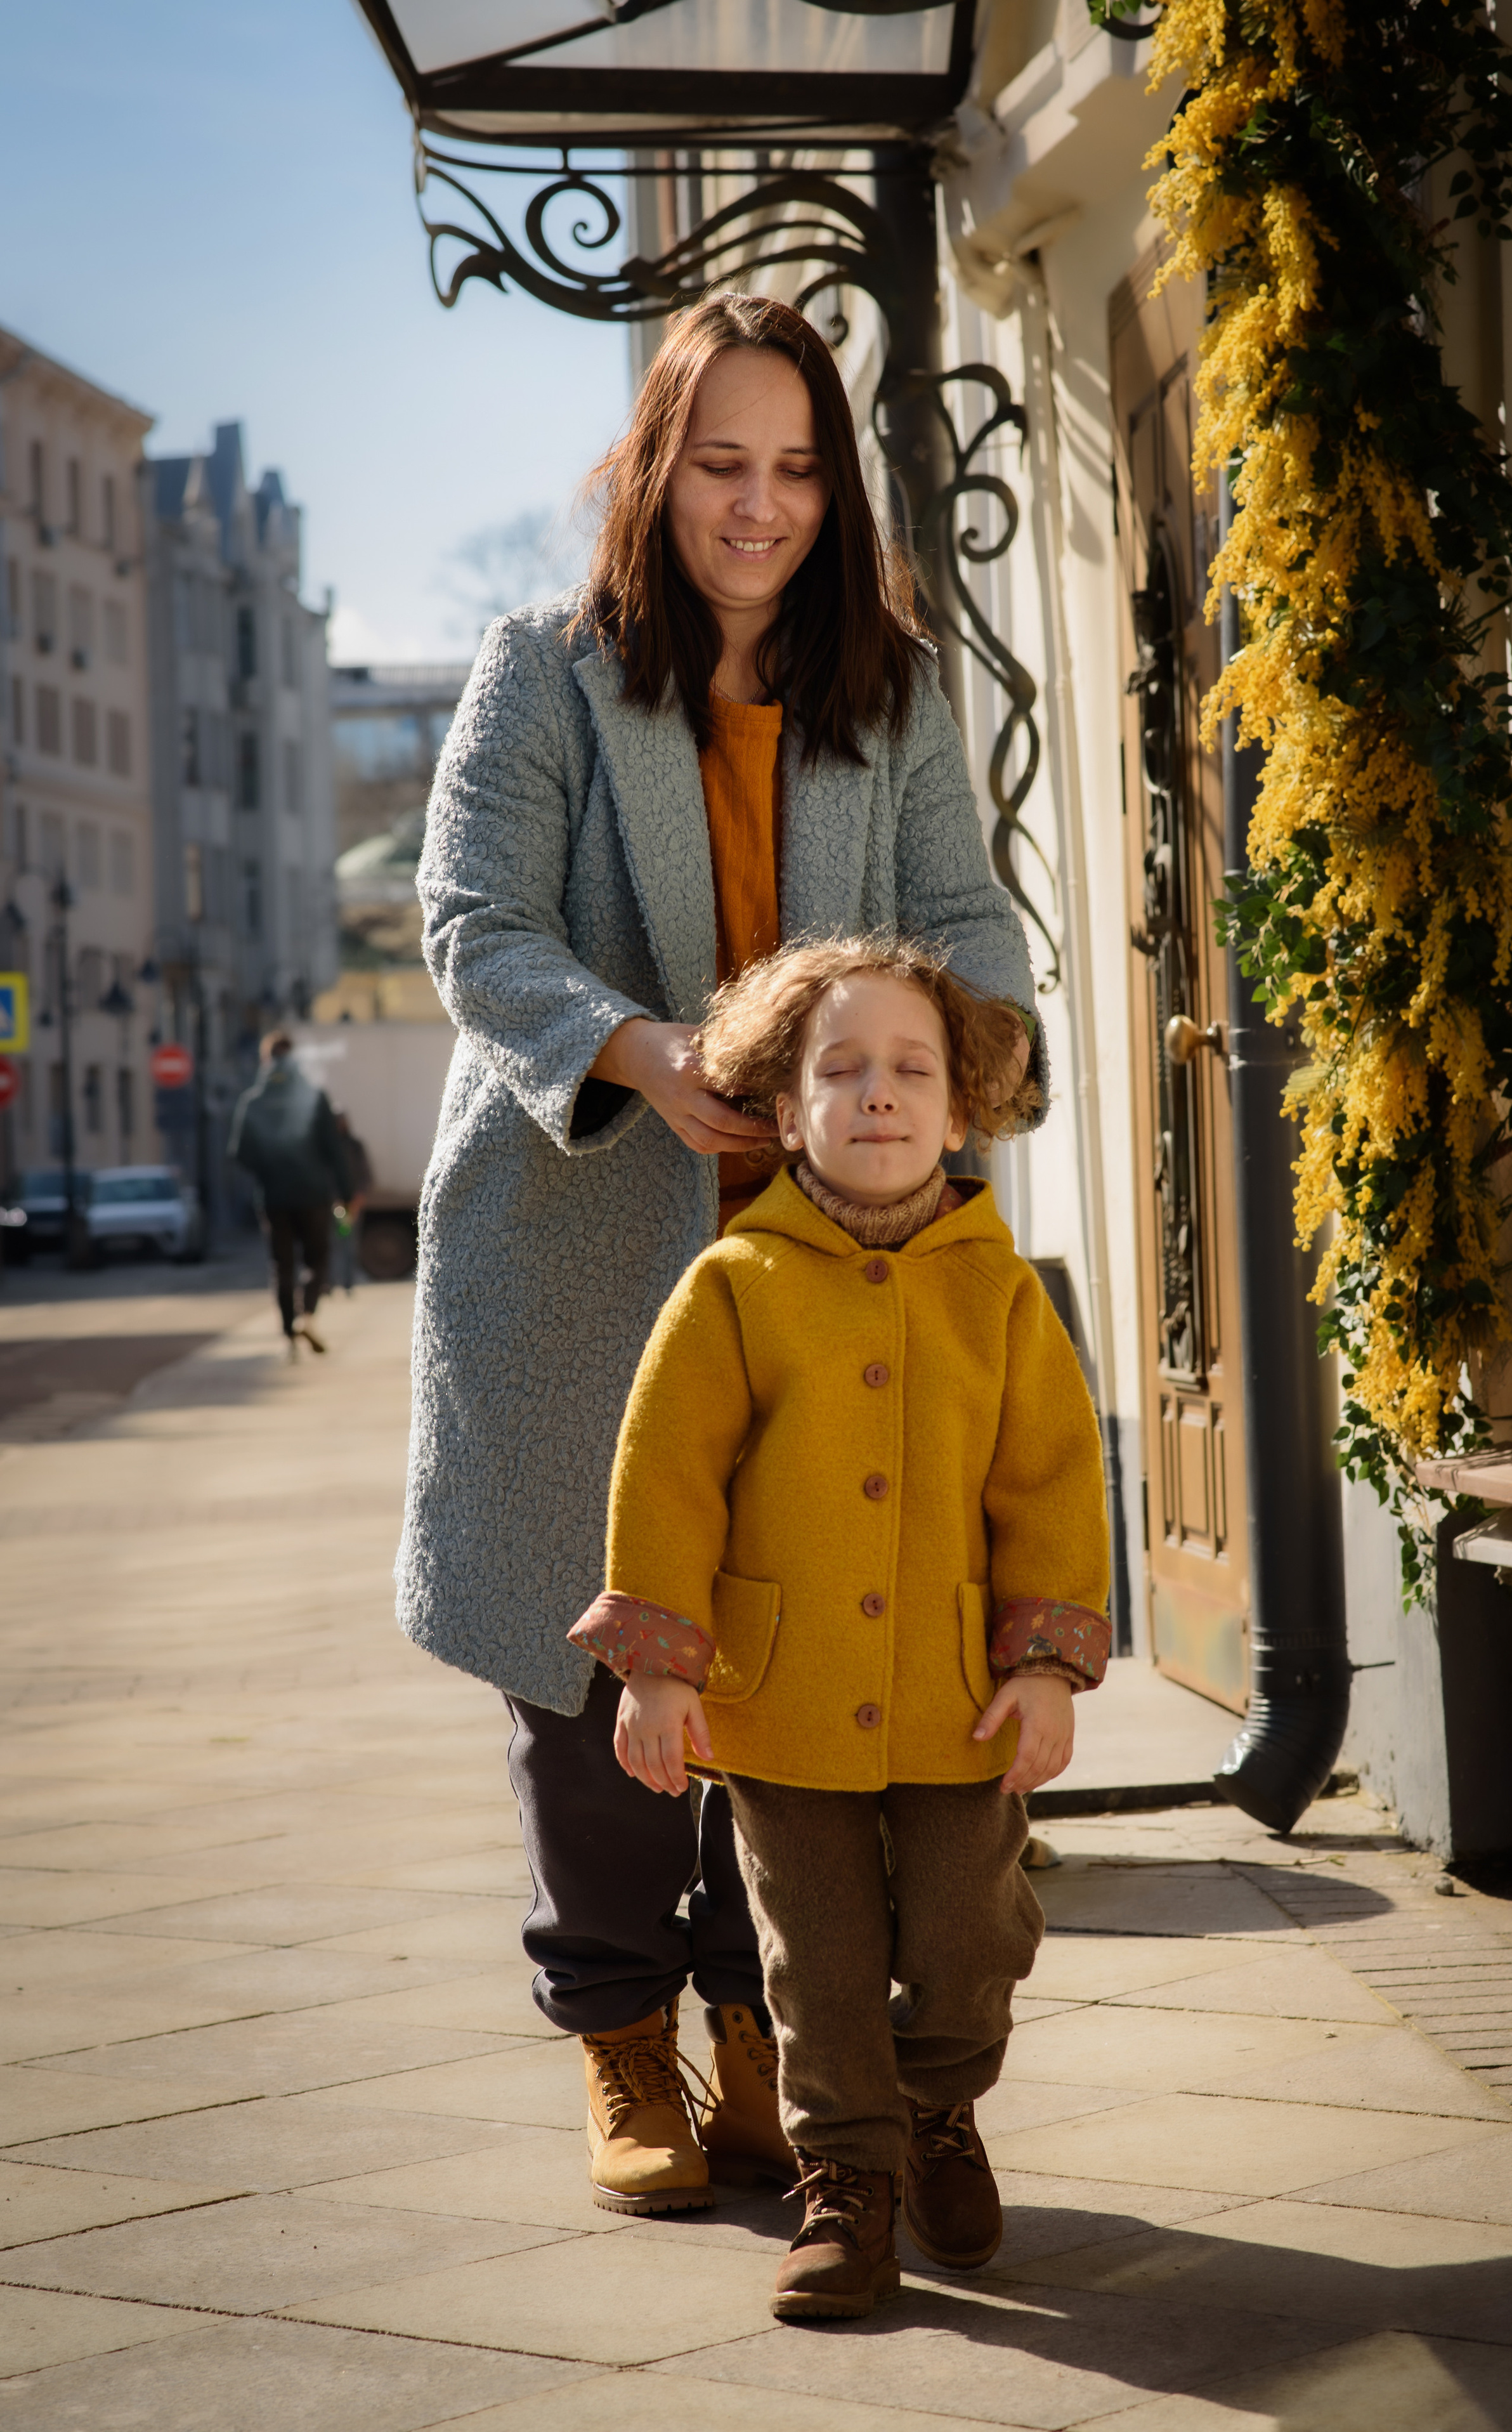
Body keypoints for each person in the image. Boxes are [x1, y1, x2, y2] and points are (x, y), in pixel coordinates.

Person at [396, 291, 1046, 2221]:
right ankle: (619, 2041)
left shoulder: (897, 687)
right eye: (718, 464)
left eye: (792, 468)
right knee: (595, 1682)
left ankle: (772, 2044)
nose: (756, 507)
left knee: (807, 1658)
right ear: (654, 466)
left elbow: (968, 924)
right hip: (576, 1236)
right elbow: (471, 919)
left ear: (833, 487)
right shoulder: (544, 671)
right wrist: (638, 1050)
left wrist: (946, 1068)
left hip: (828, 1259)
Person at [569, 936, 1111, 2320]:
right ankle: (847, 2178)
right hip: (784, 1697)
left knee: (966, 1932)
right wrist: (658, 1675)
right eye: (842, 1068)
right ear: (785, 1102)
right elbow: (668, 1484)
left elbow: (1048, 1486)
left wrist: (1045, 1665)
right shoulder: (734, 1286)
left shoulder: (999, 1292)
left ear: (959, 1103)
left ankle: (939, 2111)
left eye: (911, 1069)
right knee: (809, 1957)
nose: (879, 1093)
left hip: (956, 1697)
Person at [229, 1031, 349, 1357]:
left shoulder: (253, 1102)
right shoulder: (313, 1096)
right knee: (317, 1260)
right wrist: (346, 1191)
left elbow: (240, 1153)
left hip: (273, 1197)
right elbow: (333, 1150)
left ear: (266, 1060)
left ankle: (287, 1331)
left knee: (281, 1265)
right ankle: (307, 1316)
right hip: (314, 1194)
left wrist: (268, 1167)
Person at [332, 1112, 373, 1293]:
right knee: (331, 1246)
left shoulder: (355, 1146)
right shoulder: (328, 1147)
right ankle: (330, 1284)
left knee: (350, 1245)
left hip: (351, 1205)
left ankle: (348, 1283)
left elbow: (366, 1175)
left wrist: (357, 1200)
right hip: (332, 1204)